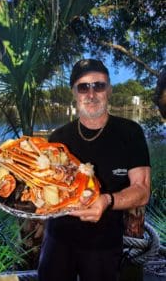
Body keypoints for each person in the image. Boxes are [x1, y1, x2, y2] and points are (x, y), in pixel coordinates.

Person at [38, 59, 151, 281]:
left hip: (104, 241)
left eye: (98, 85)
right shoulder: (58, 138)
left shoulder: (130, 132)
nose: (91, 93)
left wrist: (107, 200)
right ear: (74, 93)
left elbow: (142, 190)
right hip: (58, 237)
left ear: (109, 90)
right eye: (83, 87)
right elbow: (46, 185)